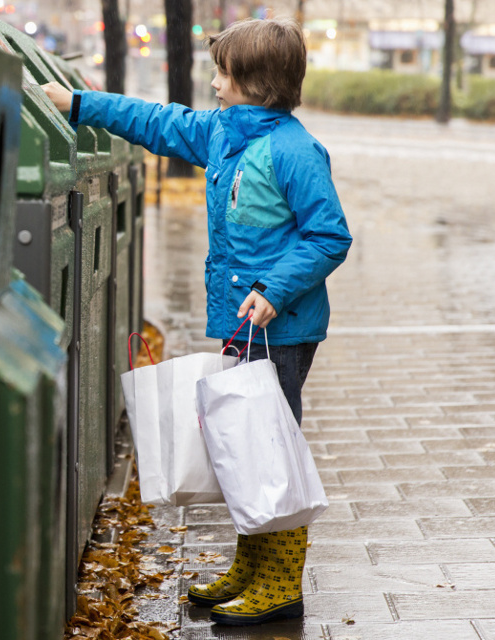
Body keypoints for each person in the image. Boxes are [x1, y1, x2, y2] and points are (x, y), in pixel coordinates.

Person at [43, 17, 352, 626]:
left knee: (272, 446)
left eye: (222, 73)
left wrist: (273, 290)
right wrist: (79, 103)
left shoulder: (293, 150)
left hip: (280, 326)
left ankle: (282, 581)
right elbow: (158, 122)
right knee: (248, 437)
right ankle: (251, 566)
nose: (212, 83)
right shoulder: (223, 134)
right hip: (244, 322)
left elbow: (328, 236)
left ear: (253, 83)